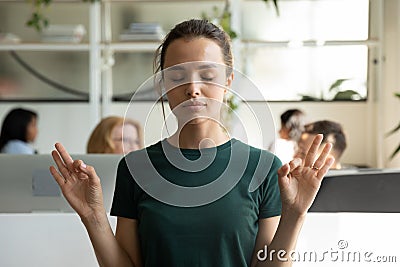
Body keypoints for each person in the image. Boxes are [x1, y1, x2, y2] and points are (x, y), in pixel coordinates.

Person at [49, 19, 334, 267]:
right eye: (177, 77)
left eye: (208, 76)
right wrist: (93, 216)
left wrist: (295, 214)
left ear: (229, 81)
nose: (193, 89)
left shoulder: (263, 167)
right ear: (162, 86)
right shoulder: (136, 168)